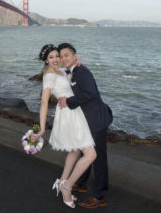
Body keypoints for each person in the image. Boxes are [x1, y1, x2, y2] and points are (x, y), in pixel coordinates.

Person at [31, 44, 96, 209]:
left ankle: (62, 181)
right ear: (46, 60)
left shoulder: (62, 72)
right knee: (90, 154)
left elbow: (72, 79)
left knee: (74, 150)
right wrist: (42, 127)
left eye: (57, 56)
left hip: (74, 112)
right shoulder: (49, 77)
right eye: (51, 57)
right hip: (68, 115)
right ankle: (67, 187)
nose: (56, 60)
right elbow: (44, 103)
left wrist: (76, 63)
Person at [58, 43, 113, 209]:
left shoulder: (82, 71)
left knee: (98, 159)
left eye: (67, 55)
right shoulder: (71, 72)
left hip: (95, 120)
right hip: (84, 121)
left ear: (75, 56)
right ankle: (81, 182)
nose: (63, 58)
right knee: (84, 151)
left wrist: (68, 101)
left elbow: (90, 93)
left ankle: (100, 195)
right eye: (61, 56)